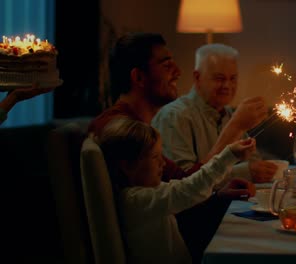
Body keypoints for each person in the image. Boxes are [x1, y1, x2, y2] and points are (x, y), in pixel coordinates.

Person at [87, 32, 261, 262]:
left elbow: (179, 182)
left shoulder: (137, 127)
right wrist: (234, 129)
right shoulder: (119, 130)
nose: (178, 71)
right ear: (138, 77)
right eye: (166, 64)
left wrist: (218, 196)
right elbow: (173, 194)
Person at [96, 118, 256, 264]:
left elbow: (185, 192)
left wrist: (218, 195)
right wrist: (229, 155)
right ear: (127, 165)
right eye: (155, 157)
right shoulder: (136, 201)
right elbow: (188, 189)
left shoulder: (148, 192)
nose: (163, 163)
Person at [152, 43, 277, 183]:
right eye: (219, 78)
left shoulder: (228, 114)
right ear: (197, 77)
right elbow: (184, 183)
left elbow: (253, 162)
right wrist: (244, 172)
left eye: (233, 78)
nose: (227, 86)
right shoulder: (174, 116)